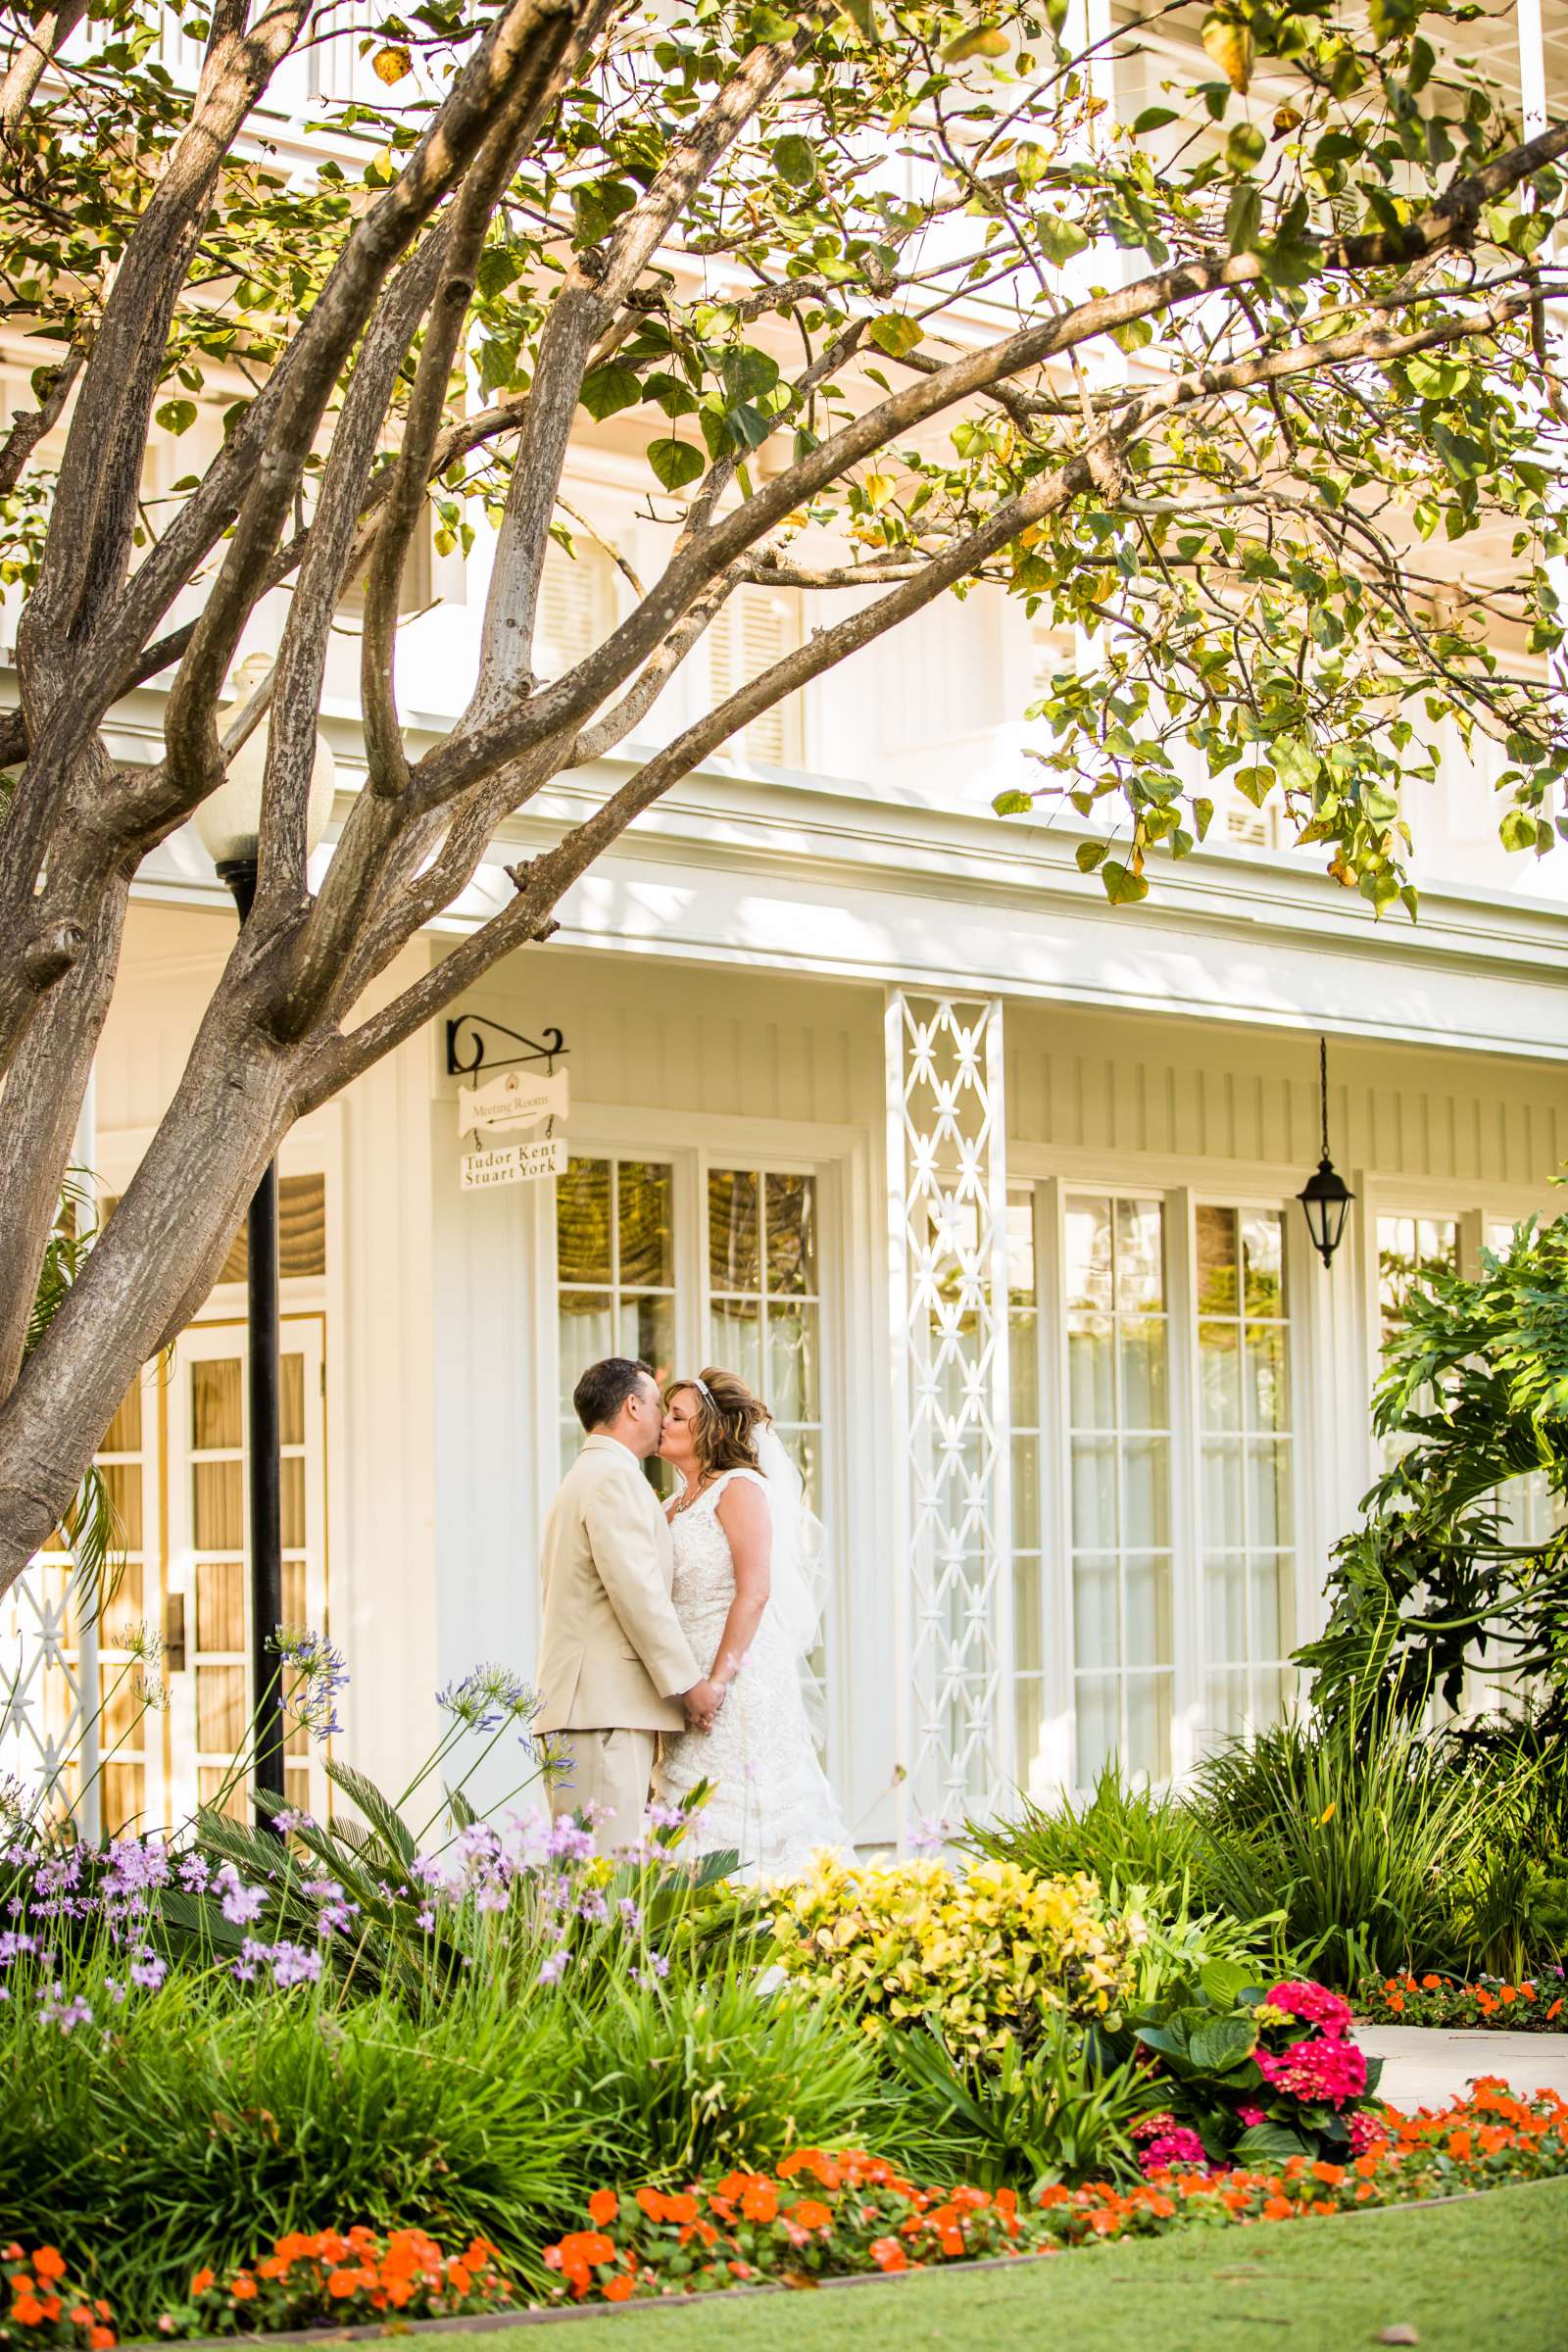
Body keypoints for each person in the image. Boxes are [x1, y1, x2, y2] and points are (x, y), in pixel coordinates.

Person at [653, 1365, 849, 1878]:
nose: (663, 1423)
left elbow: (755, 1590)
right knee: (688, 1814)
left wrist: (718, 1681)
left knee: (743, 1815)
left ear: (712, 1431)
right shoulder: (672, 1505)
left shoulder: (739, 1489)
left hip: (736, 1682)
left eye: (677, 1415)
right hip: (685, 1680)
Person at [535, 1357, 725, 1853]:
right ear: (632, 1405)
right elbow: (637, 1594)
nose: (663, 1419)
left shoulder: (585, 1476)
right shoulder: (613, 1480)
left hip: (590, 1708)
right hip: (602, 1713)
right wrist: (689, 1685)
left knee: (583, 1887)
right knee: (600, 1884)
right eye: (659, 1405)